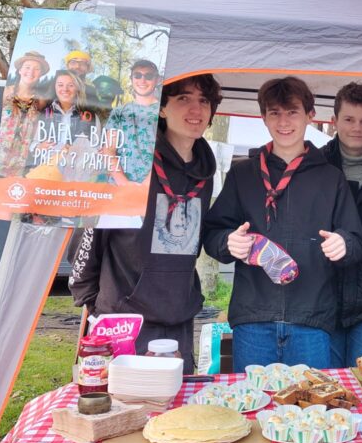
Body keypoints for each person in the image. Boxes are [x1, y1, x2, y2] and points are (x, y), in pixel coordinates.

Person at [203, 76, 362, 371]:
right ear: (263, 117)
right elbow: (213, 234)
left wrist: (344, 244)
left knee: (311, 399)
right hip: (253, 320)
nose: (284, 122)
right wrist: (228, 242)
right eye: (274, 113)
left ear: (310, 116)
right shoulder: (243, 174)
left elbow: (357, 241)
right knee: (253, 399)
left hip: (311, 320)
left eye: (292, 112)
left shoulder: (331, 178)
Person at [69, 74, 220, 373]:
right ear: (161, 108)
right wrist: (93, 305)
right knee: (125, 402)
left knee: (175, 403)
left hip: (178, 317)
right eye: (183, 99)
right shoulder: (131, 163)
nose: (196, 109)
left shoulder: (204, 174)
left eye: (204, 101)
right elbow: (90, 233)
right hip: (124, 318)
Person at [322, 81, 362, 368]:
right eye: (349, 119)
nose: (357, 128)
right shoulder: (315, 164)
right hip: (324, 298)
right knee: (329, 381)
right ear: (334, 121)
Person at [28, 69, 101, 182]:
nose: (65, 89)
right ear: (55, 88)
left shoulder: (90, 117)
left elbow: (97, 150)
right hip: (46, 175)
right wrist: (39, 147)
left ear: (77, 88)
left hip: (76, 178)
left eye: (70, 85)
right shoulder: (45, 114)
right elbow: (32, 144)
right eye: (60, 85)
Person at [106, 60, 162, 184]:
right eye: (137, 75)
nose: (142, 80)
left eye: (148, 76)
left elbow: (166, 154)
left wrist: (145, 186)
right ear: (131, 79)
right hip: (118, 187)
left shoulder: (165, 113)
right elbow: (108, 151)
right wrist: (124, 184)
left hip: (152, 187)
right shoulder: (118, 112)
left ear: (157, 80)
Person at [0, 50, 49, 178]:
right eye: (27, 67)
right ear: (20, 70)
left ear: (40, 74)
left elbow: (37, 128)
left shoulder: (41, 100)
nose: (31, 72)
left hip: (20, 165)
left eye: (36, 69)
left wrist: (38, 145)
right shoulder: (5, 92)